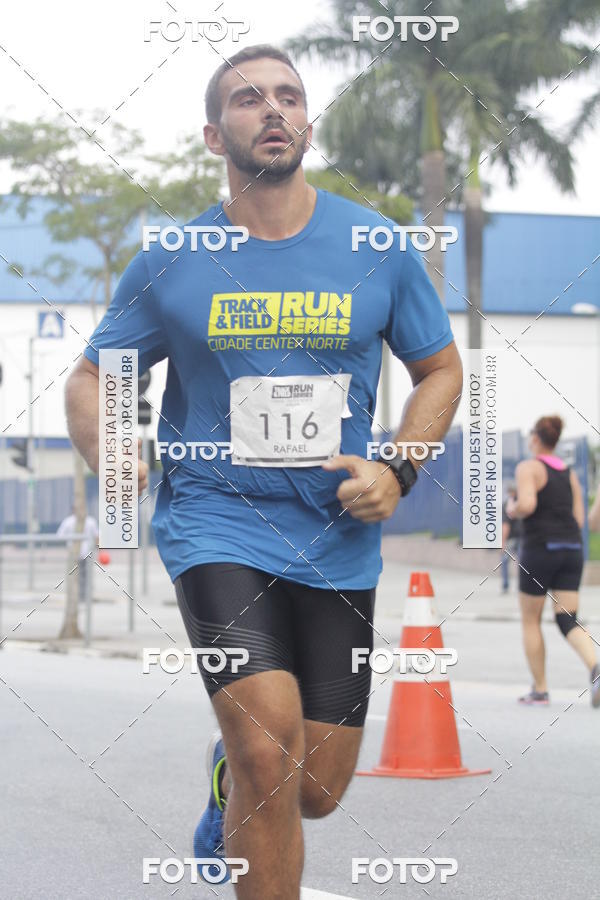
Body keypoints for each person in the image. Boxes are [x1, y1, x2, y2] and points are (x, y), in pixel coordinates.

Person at [64, 44, 463, 899]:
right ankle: (242, 763)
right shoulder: (172, 257)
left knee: (313, 787)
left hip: (336, 538)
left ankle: (227, 782)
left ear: (308, 125)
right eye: (249, 100)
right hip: (215, 523)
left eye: (288, 96)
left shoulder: (375, 245)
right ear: (216, 135)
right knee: (265, 742)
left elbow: (442, 371)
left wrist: (397, 467)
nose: (272, 109)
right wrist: (113, 448)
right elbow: (93, 374)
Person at [506, 415, 600, 708]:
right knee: (566, 618)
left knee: (530, 620)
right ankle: (597, 668)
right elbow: (580, 517)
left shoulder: (528, 467)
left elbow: (528, 504)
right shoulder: (568, 473)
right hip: (571, 548)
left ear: (535, 438)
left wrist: (512, 507)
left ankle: (541, 690)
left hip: (539, 550)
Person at [56, 508, 99, 603]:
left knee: (74, 575)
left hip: (73, 552)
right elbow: (97, 537)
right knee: (86, 575)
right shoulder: (90, 521)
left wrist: (69, 541)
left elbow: (59, 536)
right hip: (88, 552)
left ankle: (76, 596)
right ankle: (86, 596)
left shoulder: (68, 521)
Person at [500, 483, 521, 592]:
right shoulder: (523, 502)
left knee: (505, 560)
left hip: (514, 538)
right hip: (522, 537)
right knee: (522, 562)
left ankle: (505, 585)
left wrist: (503, 542)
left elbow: (506, 525)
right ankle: (521, 585)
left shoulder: (507, 504)